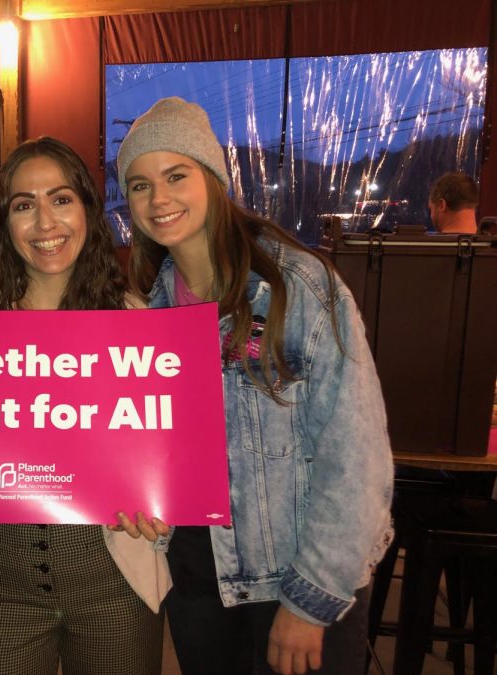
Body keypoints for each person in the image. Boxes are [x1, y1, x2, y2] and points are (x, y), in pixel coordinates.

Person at [116, 97, 394, 675]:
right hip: (196, 579)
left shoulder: (297, 286)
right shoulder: (146, 307)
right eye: (140, 185)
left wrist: (312, 599)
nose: (158, 198)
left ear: (213, 179)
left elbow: (357, 456)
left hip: (287, 578)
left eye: (175, 176)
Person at [0, 137, 170, 675]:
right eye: (23, 205)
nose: (45, 222)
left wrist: (163, 504)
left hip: (115, 582)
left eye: (62, 198)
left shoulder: (137, 321)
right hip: (1, 585)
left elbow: (165, 458)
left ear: (88, 211)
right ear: (4, 222)